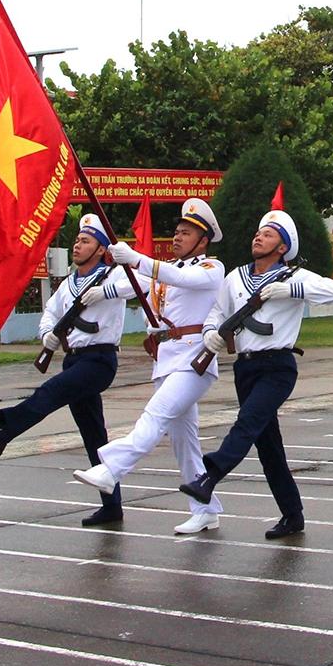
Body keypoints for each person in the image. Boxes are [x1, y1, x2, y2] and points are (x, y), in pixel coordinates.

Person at [179, 209, 333, 539]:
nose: (258, 237)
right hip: (246, 367)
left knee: (247, 422)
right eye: (259, 233)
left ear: (282, 248)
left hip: (277, 366)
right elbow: (217, 312)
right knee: (268, 447)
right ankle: (292, 515)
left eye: (268, 235)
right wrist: (211, 333)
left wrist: (292, 291)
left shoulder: (293, 277)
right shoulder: (235, 277)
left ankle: (209, 476)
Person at [0, 214, 136, 527]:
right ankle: (112, 505)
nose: (77, 245)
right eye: (77, 240)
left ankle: (4, 432)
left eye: (85, 241)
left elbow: (142, 286)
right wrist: (48, 335)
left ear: (101, 249)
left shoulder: (113, 275)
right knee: (94, 436)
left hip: (99, 360)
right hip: (74, 359)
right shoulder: (69, 283)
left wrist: (107, 292)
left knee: (50, 392)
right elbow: (50, 313)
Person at [73, 199, 229, 535]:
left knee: (155, 415)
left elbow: (175, 276)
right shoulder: (165, 269)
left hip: (194, 360)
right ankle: (205, 510)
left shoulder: (211, 269)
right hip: (166, 359)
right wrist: (105, 286)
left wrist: (136, 258)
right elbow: (132, 285)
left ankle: (111, 468)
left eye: (186, 233)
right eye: (177, 231)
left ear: (203, 241)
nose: (177, 237)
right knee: (184, 441)